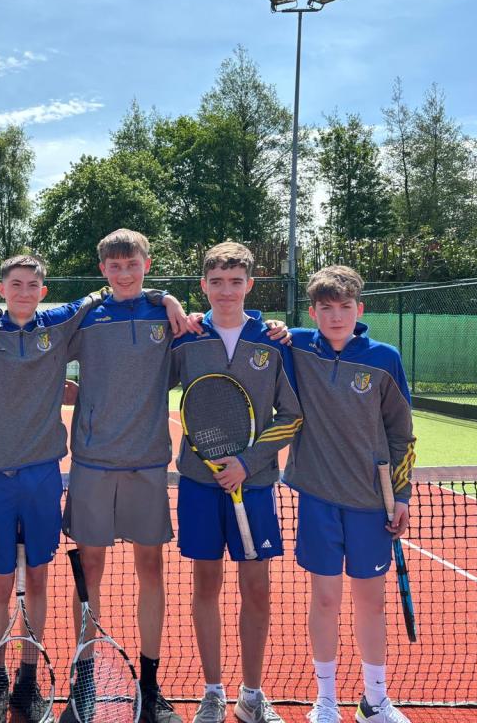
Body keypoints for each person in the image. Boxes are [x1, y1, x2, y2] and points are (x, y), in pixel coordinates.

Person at [0, 255, 193, 723]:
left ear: (44, 291)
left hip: (74, 470)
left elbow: (109, 295)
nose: (25, 292)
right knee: (9, 583)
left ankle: (41, 679)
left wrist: (165, 296)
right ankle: (10, 679)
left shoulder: (64, 320)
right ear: (2, 289)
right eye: (15, 285)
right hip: (8, 474)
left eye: (33, 285)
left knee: (46, 578)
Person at [169, 242, 302, 723]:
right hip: (199, 483)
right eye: (217, 282)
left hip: (256, 484)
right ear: (203, 286)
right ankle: (212, 692)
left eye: (236, 281)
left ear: (250, 285)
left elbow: (291, 415)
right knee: (205, 586)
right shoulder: (186, 338)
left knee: (257, 591)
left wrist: (248, 462)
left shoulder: (274, 341)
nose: (226, 291)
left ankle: (251, 695)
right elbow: (146, 381)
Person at [283, 266, 416, 723]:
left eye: (344, 307)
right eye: (326, 308)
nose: (336, 316)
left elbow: (402, 432)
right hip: (318, 498)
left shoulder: (385, 359)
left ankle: (375, 701)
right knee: (324, 600)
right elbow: (241, 322)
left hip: (371, 504)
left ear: (359, 309)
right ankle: (325, 701)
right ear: (312, 312)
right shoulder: (296, 346)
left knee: (371, 602)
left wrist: (402, 495)